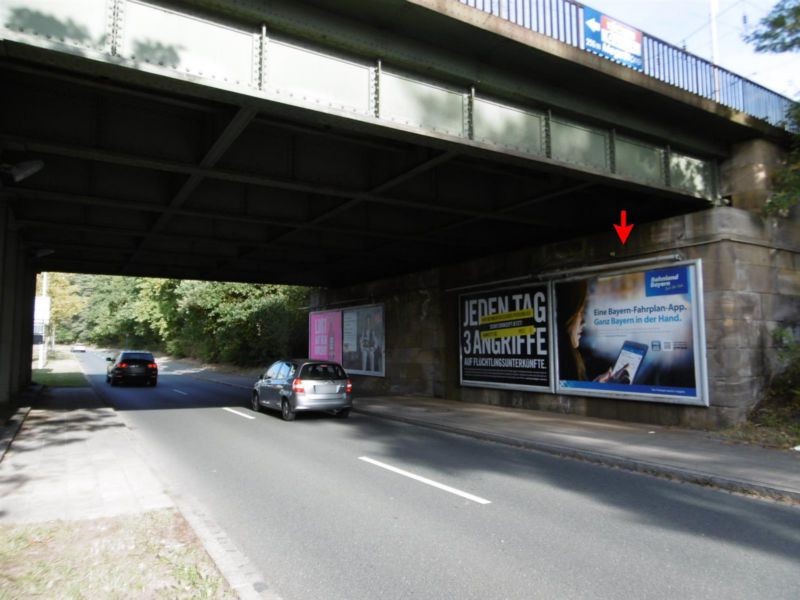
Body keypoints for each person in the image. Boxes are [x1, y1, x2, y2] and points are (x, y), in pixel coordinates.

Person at [556, 281, 632, 384]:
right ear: (567, 315)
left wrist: (595, 385)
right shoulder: (563, 363)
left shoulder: (570, 358)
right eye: (580, 313)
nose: (583, 323)